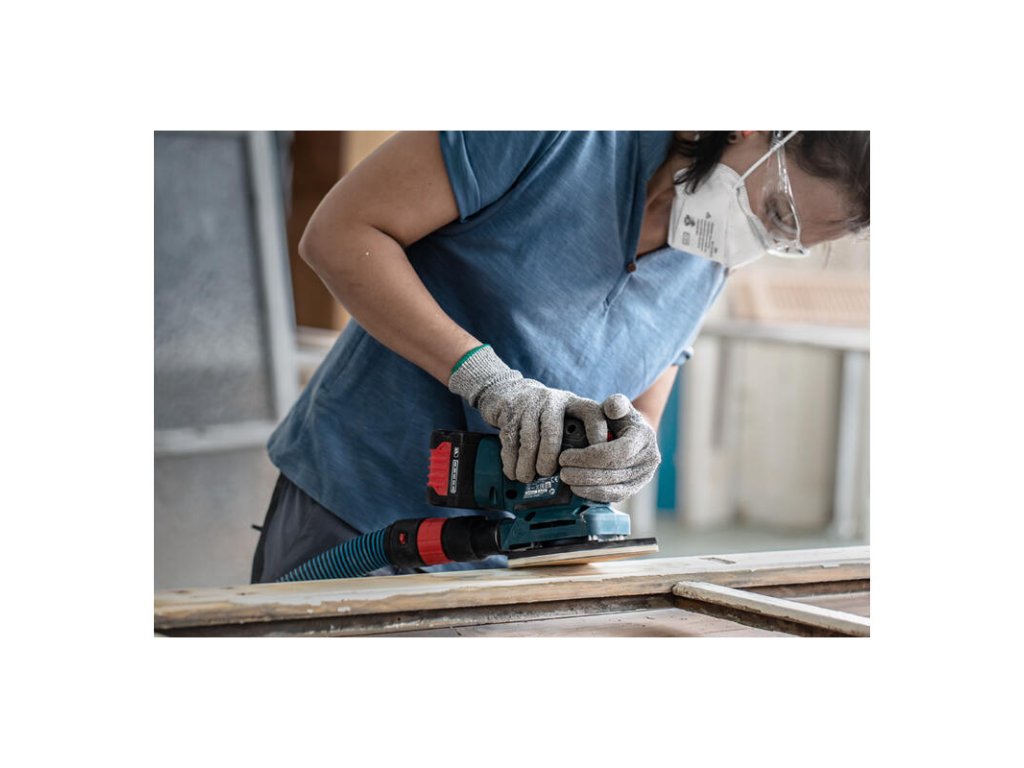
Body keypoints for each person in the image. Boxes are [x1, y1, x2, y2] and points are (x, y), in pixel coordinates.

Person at [250, 130, 870, 583]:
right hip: (356, 508)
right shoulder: (560, 130)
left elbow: (642, 399)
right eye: (776, 211)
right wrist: (489, 381)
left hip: (512, 556)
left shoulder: (708, 255)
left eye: (786, 241)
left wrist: (628, 454)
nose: (757, 240)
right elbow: (341, 233)